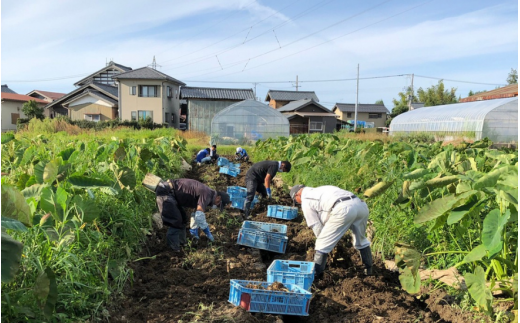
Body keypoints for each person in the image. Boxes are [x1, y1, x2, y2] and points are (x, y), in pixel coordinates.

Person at [290, 184, 373, 277]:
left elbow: (316, 225)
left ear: (297, 195)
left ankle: (317, 276)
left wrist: (327, 242)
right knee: (361, 240)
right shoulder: (321, 189)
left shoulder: (306, 200)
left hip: (343, 209)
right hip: (360, 205)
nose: (298, 203)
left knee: (321, 244)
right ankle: (369, 270)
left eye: (296, 201)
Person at [155, 178, 231, 252]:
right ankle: (173, 249)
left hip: (171, 194)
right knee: (176, 221)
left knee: (183, 219)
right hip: (165, 193)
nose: (216, 206)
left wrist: (194, 228)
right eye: (218, 204)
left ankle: (183, 243)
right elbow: (199, 215)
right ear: (218, 197)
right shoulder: (207, 195)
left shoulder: (208, 194)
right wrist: (206, 231)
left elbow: (196, 213)